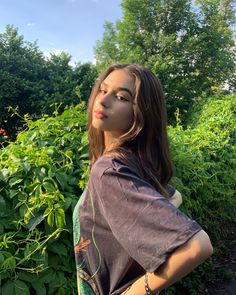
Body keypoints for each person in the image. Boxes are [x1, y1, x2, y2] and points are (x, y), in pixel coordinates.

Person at [73, 64, 213, 295]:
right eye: (102, 89)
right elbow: (174, 195)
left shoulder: (109, 170)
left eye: (121, 97)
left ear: (141, 112)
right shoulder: (132, 162)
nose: (104, 100)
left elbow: (196, 246)